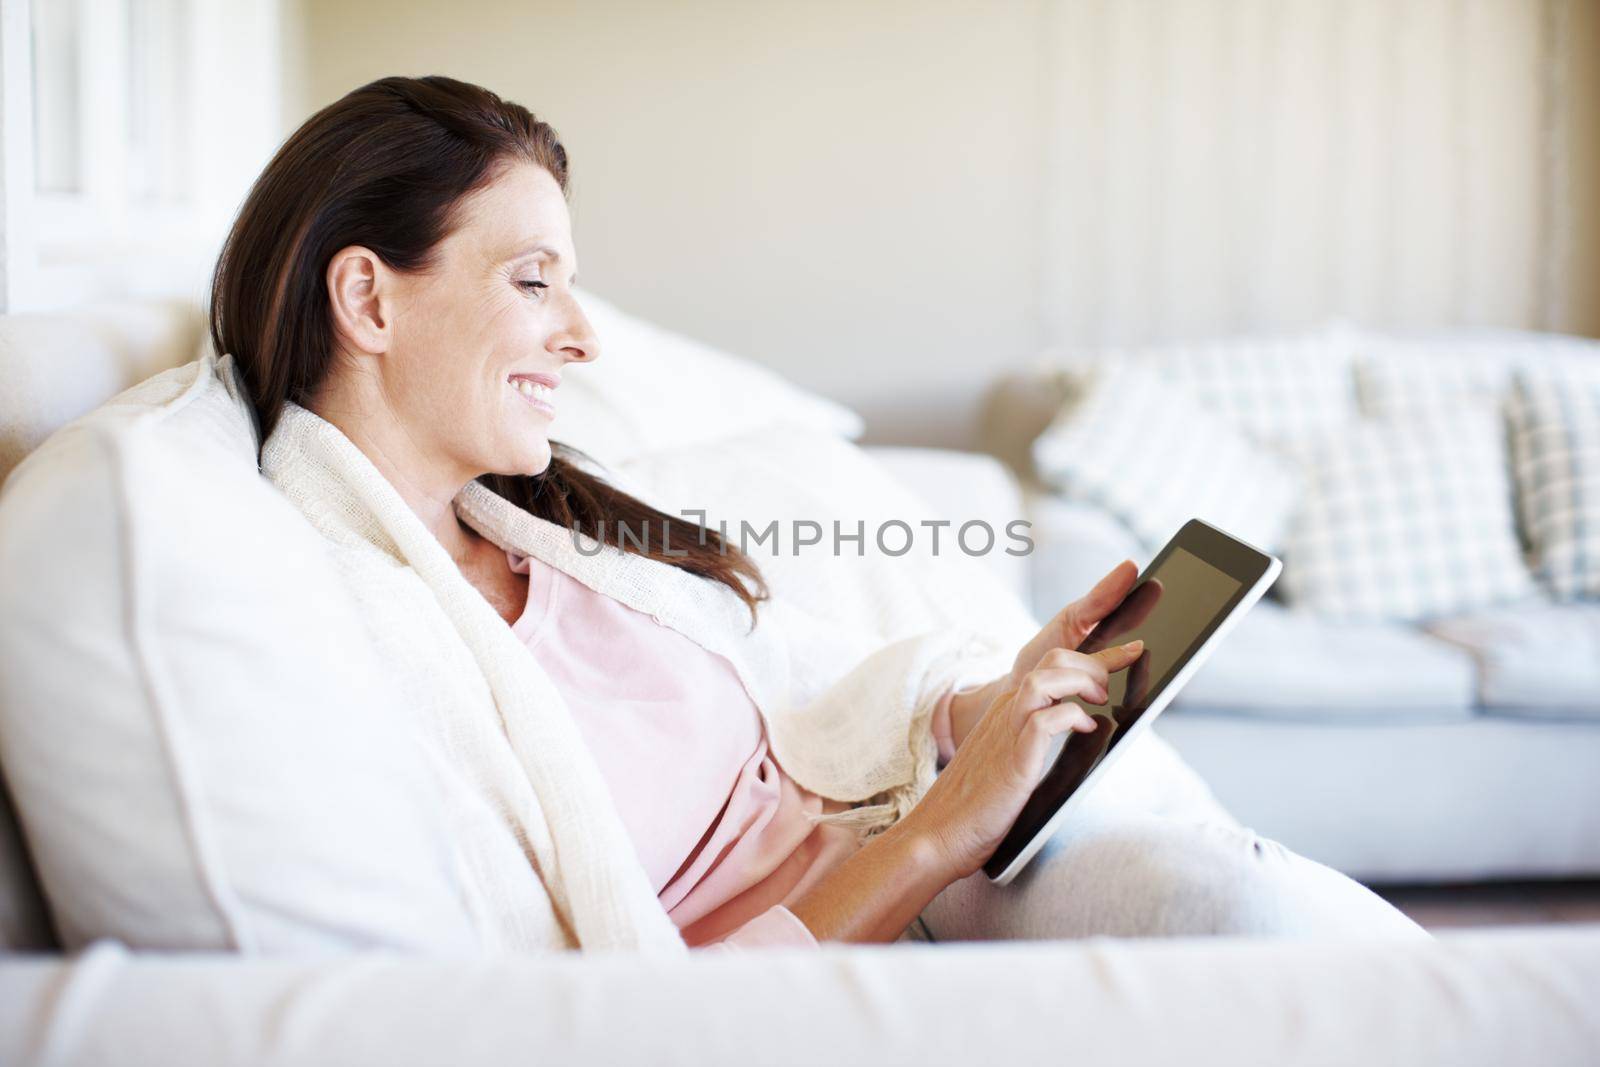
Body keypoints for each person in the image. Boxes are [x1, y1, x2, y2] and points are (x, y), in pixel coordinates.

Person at [212, 75, 1427, 951]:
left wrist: (985, 709)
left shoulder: (539, 525)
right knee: (1243, 918)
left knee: (1249, 900)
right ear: (368, 298)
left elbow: (799, 690)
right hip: (873, 923)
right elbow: (625, 1017)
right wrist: (945, 831)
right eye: (535, 281)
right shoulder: (351, 641)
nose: (580, 336)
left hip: (923, 839)